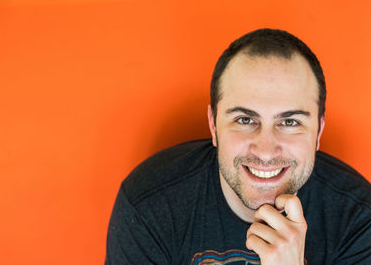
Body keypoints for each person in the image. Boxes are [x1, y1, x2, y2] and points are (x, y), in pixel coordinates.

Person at [105, 29, 371, 265]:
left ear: (318, 131)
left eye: (290, 121)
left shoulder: (359, 217)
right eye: (245, 120)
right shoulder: (150, 204)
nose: (266, 151)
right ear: (213, 125)